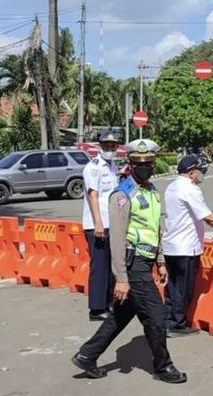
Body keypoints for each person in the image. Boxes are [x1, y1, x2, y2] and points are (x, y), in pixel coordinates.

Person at [72, 139, 187, 384]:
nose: (144, 167)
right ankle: (163, 366)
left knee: (120, 317)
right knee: (157, 315)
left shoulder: (152, 191)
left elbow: (155, 229)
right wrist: (121, 279)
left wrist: (161, 260)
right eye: (138, 163)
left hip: (146, 262)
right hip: (132, 265)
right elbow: (117, 239)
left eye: (148, 163)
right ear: (130, 164)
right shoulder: (122, 196)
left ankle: (87, 355)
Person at [163, 153, 213, 337]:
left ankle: (168, 320)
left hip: (171, 245)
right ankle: (177, 325)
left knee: (172, 286)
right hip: (185, 246)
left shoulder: (171, 186)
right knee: (183, 288)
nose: (200, 174)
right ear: (192, 172)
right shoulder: (190, 189)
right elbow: (206, 216)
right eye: (199, 171)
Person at [81, 131, 120, 321]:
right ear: (100, 146)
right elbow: (93, 195)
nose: (110, 149)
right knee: (100, 267)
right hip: (98, 224)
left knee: (110, 266)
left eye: (113, 146)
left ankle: (108, 302)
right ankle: (96, 309)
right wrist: (98, 222)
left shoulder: (112, 167)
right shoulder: (93, 167)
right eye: (106, 146)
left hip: (111, 223)